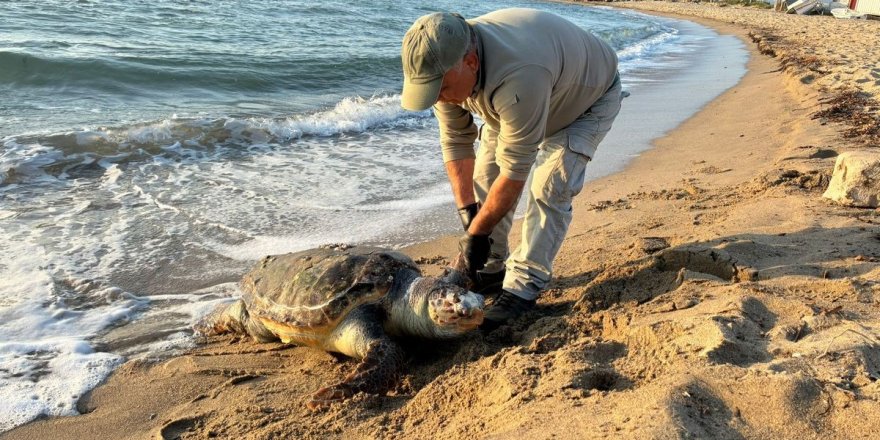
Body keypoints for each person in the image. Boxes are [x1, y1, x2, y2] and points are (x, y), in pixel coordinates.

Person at [400, 8, 624, 331]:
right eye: (430, 90)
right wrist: (470, 218)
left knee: (549, 187)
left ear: (471, 63)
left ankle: (523, 287)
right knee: (484, 180)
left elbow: (515, 174)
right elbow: (456, 142)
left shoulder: (520, 73)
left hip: (585, 100)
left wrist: (477, 234)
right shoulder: (445, 66)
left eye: (441, 89)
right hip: (519, 102)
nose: (438, 98)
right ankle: (492, 270)